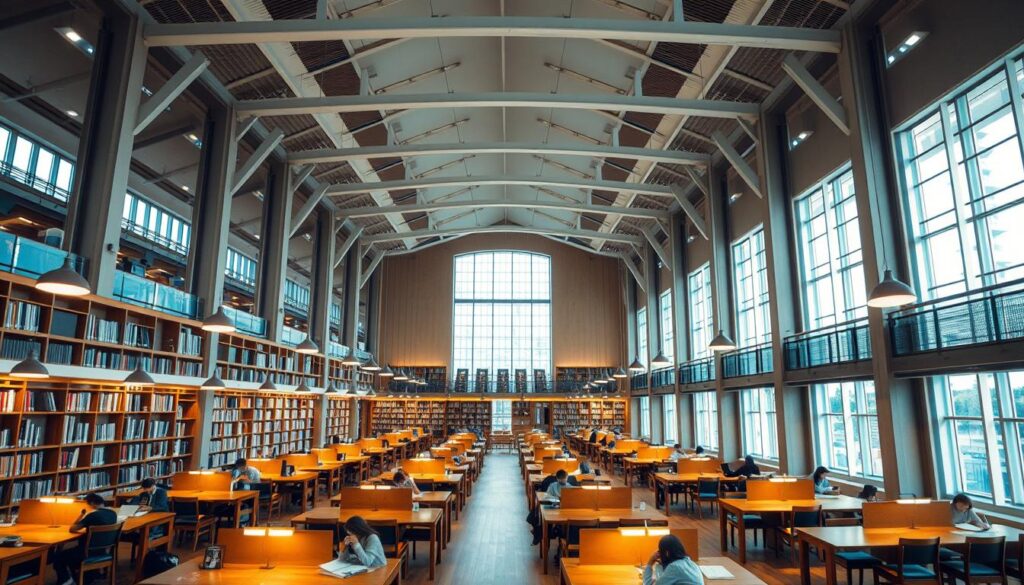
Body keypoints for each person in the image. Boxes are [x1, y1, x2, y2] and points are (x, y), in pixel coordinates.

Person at [54, 493, 119, 585]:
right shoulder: (113, 514)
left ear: (92, 503)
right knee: (70, 554)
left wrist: (81, 515)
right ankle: (79, 577)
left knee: (58, 557)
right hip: (103, 551)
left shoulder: (92, 515)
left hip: (87, 553)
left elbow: (72, 529)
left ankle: (66, 580)